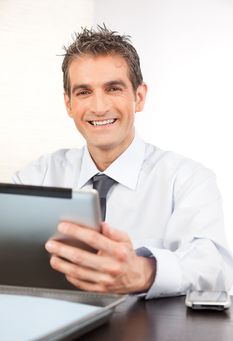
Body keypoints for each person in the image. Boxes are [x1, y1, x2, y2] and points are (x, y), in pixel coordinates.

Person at [13, 25, 233, 299]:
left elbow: (215, 268)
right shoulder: (36, 178)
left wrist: (145, 270)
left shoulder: (188, 179)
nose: (99, 107)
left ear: (139, 97)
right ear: (69, 104)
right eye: (84, 92)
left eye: (113, 88)